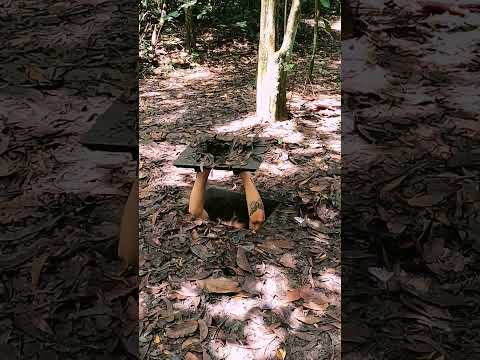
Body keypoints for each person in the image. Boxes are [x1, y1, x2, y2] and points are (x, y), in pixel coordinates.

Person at [188, 168, 266, 232]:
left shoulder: (248, 236)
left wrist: (245, 176)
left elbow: (257, 220)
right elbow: (195, 213)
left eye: (236, 221)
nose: (228, 225)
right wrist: (203, 173)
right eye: (223, 221)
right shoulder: (211, 230)